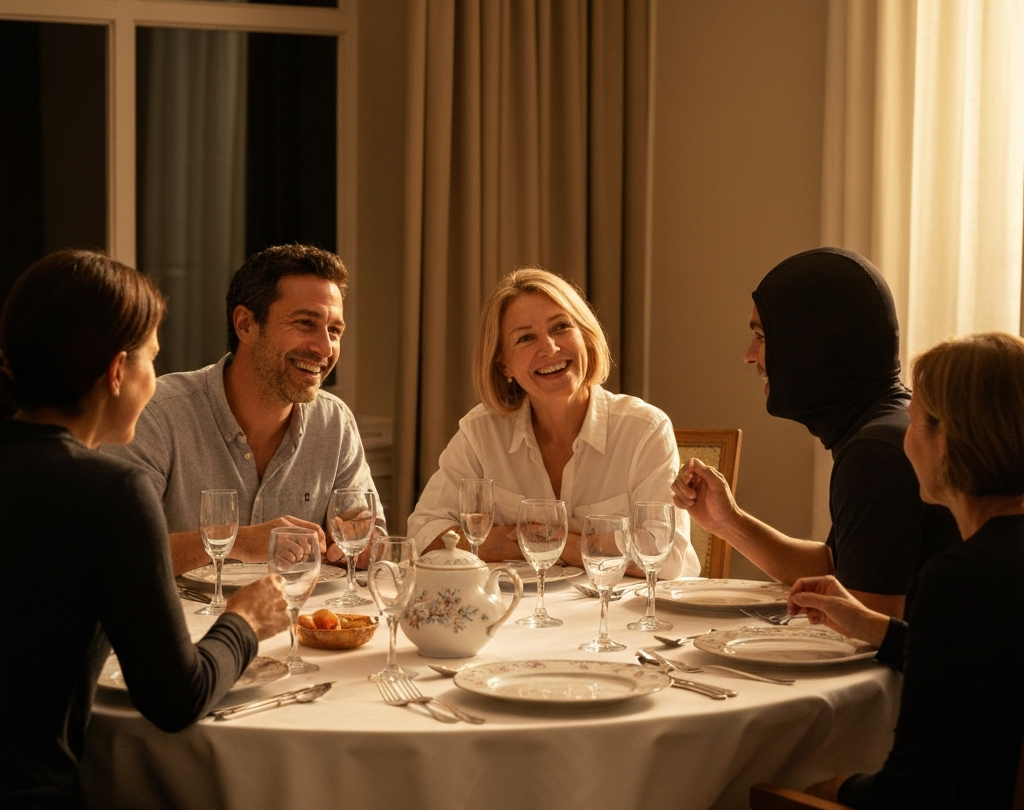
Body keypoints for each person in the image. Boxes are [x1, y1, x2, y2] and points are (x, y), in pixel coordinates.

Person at [674, 332, 1024, 810]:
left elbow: (906, 796)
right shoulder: (995, 569)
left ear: (947, 441)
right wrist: (871, 627)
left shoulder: (958, 577)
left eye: (916, 421)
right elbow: (989, 662)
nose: (905, 437)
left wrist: (820, 792)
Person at [0, 250, 289, 810]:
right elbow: (175, 699)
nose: (154, 381)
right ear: (114, 371)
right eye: (152, 360)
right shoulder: (107, 492)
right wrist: (242, 620)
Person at [673, 248, 958, 617]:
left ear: (810, 344)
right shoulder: (888, 425)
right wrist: (728, 522)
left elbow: (869, 632)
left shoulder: (876, 452)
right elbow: (836, 568)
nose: (748, 355)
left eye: (762, 336)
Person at [408, 267, 700, 579]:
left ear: (585, 337)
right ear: (503, 363)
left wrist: (556, 546)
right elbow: (424, 535)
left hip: (616, 617)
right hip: (513, 615)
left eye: (560, 327)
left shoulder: (644, 430)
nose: (549, 348)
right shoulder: (481, 433)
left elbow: (667, 558)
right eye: (525, 338)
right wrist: (521, 545)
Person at [109, 243, 381, 575]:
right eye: (305, 324)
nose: (324, 348)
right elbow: (115, 552)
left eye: (334, 331)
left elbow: (369, 535)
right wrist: (235, 541)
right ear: (245, 325)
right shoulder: (158, 416)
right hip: (185, 623)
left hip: (298, 619)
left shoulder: (334, 423)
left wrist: (362, 542)